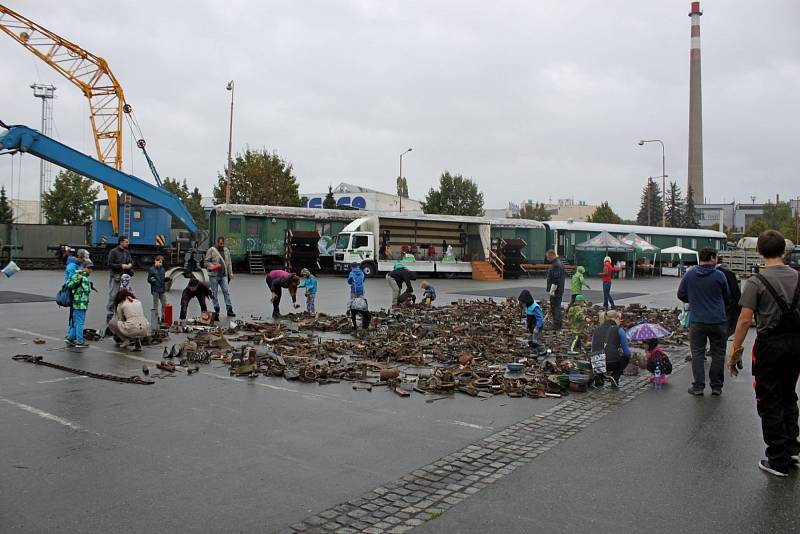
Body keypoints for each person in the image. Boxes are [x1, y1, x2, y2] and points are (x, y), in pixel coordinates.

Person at [729, 230, 800, 477]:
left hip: (770, 345)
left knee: (769, 400)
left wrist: (735, 351)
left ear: (759, 251)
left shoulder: (756, 282)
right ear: (784, 251)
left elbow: (744, 320)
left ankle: (777, 459)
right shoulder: (798, 277)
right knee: (789, 395)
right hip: (796, 344)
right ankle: (791, 449)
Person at [678, 247, 730, 396]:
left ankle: (698, 386)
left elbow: (681, 294)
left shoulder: (690, 275)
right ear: (712, 258)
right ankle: (716, 386)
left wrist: (693, 300)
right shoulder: (720, 276)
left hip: (698, 321)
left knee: (698, 353)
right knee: (719, 353)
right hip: (718, 321)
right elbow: (727, 296)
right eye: (716, 257)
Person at [590, 310, 631, 387]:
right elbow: (626, 352)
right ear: (616, 318)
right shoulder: (619, 330)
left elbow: (592, 349)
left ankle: (600, 376)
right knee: (626, 357)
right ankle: (615, 376)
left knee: (599, 355)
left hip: (595, 363)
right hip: (611, 363)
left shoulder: (596, 330)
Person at [204, 236, 236, 320]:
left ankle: (229, 309)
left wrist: (230, 273)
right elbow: (206, 262)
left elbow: (229, 263)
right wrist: (213, 266)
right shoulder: (211, 250)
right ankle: (216, 310)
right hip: (213, 276)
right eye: (220, 243)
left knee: (226, 292)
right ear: (217, 242)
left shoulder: (226, 250)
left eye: (223, 243)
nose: (221, 245)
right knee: (214, 294)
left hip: (223, 275)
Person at [65, 260, 95, 348]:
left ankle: (70, 338)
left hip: (75, 302)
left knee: (76, 322)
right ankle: (79, 342)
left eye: (91, 268)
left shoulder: (76, 275)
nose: (91, 270)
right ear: (84, 268)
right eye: (89, 268)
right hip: (81, 304)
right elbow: (86, 291)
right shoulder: (83, 278)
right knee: (80, 322)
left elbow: (69, 284)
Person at [106, 236, 133, 322]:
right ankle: (110, 314)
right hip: (116, 277)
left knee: (126, 295)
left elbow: (131, 261)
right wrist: (120, 266)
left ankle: (123, 314)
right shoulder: (113, 252)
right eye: (126, 241)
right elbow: (109, 264)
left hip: (125, 278)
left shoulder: (126, 252)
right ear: (121, 242)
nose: (127, 243)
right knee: (113, 295)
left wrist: (130, 265)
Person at [716, 255, 742, 338]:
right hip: (728, 308)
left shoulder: (709, 273)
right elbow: (736, 292)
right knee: (724, 334)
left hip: (711, 311)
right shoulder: (729, 273)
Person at [518, 289, 546, 356]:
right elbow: (528, 317)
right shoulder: (528, 306)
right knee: (531, 340)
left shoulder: (534, 307)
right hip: (531, 326)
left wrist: (537, 327)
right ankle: (534, 351)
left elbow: (540, 318)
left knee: (536, 340)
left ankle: (542, 350)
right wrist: (527, 324)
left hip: (537, 326)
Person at [546, 250, 566, 329]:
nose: (547, 259)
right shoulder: (559, 263)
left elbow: (555, 279)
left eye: (548, 257)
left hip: (556, 290)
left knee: (555, 306)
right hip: (559, 289)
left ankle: (556, 325)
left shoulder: (556, 265)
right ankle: (559, 324)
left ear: (551, 256)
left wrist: (552, 290)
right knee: (557, 306)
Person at [147, 255, 167, 324]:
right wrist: (152, 280)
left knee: (164, 304)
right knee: (156, 305)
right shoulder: (151, 269)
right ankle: (156, 318)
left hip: (162, 289)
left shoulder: (163, 269)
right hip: (155, 290)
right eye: (159, 262)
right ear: (155, 261)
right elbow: (148, 279)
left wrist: (166, 279)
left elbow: (163, 278)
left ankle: (163, 317)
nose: (160, 264)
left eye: (161, 262)